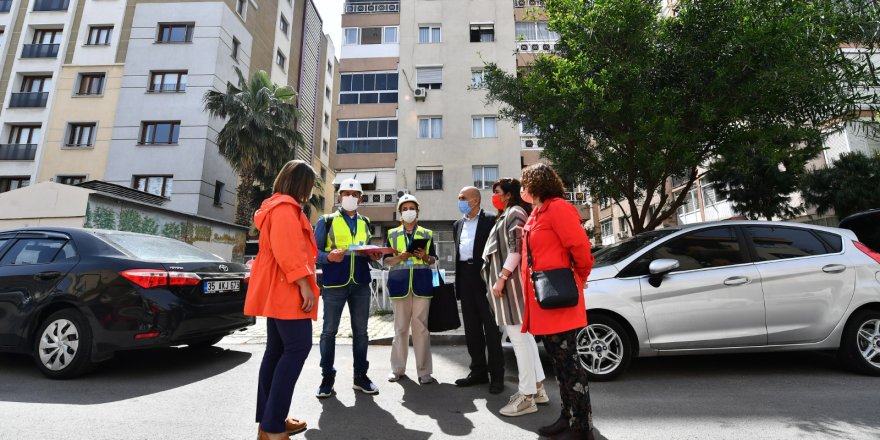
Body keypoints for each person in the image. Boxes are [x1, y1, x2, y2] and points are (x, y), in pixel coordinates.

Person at [244, 160, 320, 440]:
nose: (310, 192)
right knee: (297, 347)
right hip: (287, 286)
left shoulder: (274, 206)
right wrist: (304, 285)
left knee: (276, 351)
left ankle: (268, 421)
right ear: (301, 184)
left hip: (276, 286)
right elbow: (288, 251)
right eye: (309, 185)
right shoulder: (286, 209)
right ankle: (273, 426)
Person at [520, 163, 596, 440]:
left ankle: (582, 426)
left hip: (559, 298)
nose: (522, 189)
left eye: (524, 183)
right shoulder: (537, 213)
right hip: (545, 301)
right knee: (560, 364)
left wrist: (582, 276)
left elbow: (580, 247)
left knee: (570, 364)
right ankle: (568, 416)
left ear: (536, 183)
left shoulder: (558, 208)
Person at [481, 178, 550, 417]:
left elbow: (516, 249)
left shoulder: (514, 213)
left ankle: (526, 395)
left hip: (511, 288)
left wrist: (501, 278)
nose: (494, 196)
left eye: (497, 192)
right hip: (510, 287)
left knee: (519, 340)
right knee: (525, 338)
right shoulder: (508, 214)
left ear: (509, 194)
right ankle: (537, 389)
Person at [314, 178, 384, 398]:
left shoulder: (365, 222)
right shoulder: (326, 221)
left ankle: (360, 376)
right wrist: (328, 257)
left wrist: (374, 255)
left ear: (360, 199)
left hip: (361, 283)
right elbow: (313, 252)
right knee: (329, 331)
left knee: (361, 332)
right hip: (335, 283)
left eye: (355, 195)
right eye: (346, 194)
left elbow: (365, 251)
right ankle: (327, 377)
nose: (350, 197)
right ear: (339, 197)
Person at [453, 186, 504, 394]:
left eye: (462, 198)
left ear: (475, 200)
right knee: (472, 329)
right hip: (465, 277)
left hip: (485, 276)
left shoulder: (491, 220)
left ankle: (497, 376)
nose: (460, 201)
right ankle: (478, 371)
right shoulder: (457, 224)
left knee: (491, 329)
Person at [383, 194, 438, 385]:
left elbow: (433, 259)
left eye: (411, 208)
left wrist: (425, 256)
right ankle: (397, 369)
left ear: (417, 212)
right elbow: (386, 261)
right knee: (400, 328)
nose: (408, 211)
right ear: (400, 213)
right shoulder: (391, 234)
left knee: (421, 328)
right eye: (405, 209)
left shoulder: (426, 233)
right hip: (399, 285)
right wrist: (401, 257)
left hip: (422, 284)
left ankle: (424, 371)